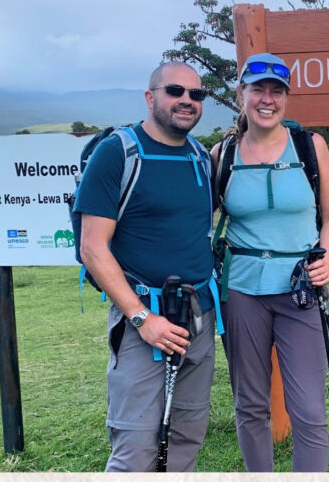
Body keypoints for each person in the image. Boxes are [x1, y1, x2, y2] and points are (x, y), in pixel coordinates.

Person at [75, 61, 219, 472]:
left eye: (197, 94)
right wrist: (142, 318)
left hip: (198, 316)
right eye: (175, 91)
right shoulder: (118, 152)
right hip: (143, 320)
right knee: (136, 446)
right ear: (150, 96)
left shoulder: (198, 157)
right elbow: (92, 247)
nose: (187, 101)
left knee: (186, 437)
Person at [212, 52, 329, 472]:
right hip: (241, 291)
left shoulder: (310, 146)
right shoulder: (222, 154)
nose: (267, 100)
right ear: (242, 95)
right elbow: (201, 221)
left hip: (300, 290)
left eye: (277, 91)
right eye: (258, 90)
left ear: (286, 97)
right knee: (251, 404)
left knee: (309, 408)